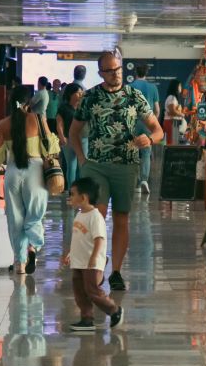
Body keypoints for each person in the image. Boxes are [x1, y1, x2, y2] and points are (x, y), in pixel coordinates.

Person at [69, 51, 164, 292]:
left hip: (126, 165)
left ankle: (117, 271)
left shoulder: (134, 96)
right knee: (97, 215)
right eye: (110, 70)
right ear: (100, 72)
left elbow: (158, 130)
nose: (116, 74)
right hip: (97, 165)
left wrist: (149, 140)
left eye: (118, 69)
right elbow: (74, 132)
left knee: (122, 218)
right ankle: (97, 265)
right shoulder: (90, 97)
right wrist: (82, 159)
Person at [0, 85, 60, 276]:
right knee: (34, 214)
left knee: (15, 218)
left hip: (12, 172)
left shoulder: (3, 124)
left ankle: (19, 263)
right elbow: (51, 148)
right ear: (30, 101)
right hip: (35, 171)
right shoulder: (37, 119)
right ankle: (33, 247)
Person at [62, 177, 124, 332]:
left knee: (92, 291)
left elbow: (100, 239)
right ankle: (86, 318)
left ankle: (114, 310)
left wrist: (95, 257)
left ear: (84, 198)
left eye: (73, 194)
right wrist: (70, 253)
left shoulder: (95, 217)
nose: (70, 197)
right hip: (78, 262)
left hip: (91, 263)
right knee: (79, 292)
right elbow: (78, 238)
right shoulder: (79, 215)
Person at [129, 64, 160, 196]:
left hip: (133, 123)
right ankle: (144, 180)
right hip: (147, 122)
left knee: (133, 151)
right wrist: (153, 122)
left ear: (135, 72)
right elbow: (157, 110)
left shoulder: (129, 87)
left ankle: (134, 183)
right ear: (146, 73)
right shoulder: (153, 88)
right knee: (146, 151)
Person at [56, 82, 84, 187]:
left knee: (82, 165)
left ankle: (81, 189)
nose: (81, 95)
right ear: (70, 94)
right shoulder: (64, 108)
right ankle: (72, 191)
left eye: (82, 92)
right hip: (68, 140)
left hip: (82, 140)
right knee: (71, 166)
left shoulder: (83, 107)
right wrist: (62, 136)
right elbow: (59, 123)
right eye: (78, 93)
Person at [163, 80, 187, 145]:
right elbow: (172, 111)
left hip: (173, 122)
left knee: (173, 142)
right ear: (176, 87)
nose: (181, 88)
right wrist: (181, 114)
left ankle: (172, 153)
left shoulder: (173, 98)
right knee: (172, 143)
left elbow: (172, 111)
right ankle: (171, 154)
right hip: (171, 122)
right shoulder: (172, 97)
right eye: (180, 86)